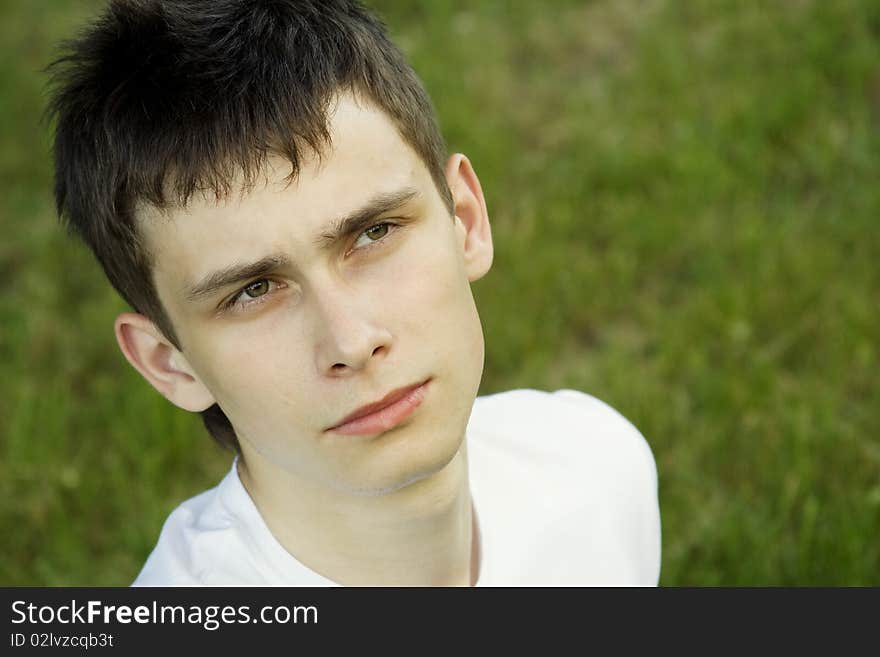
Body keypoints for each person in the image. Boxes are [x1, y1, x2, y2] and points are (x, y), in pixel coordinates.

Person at [47, 0, 661, 586]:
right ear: (168, 362)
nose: (352, 341)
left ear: (466, 220)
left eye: (373, 233)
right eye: (254, 290)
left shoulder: (596, 466)